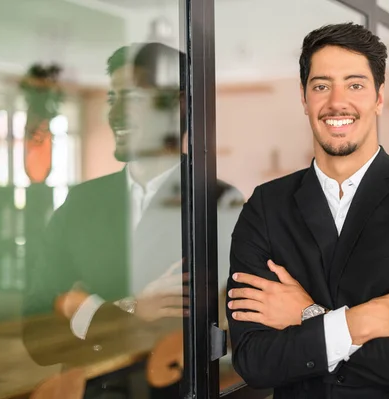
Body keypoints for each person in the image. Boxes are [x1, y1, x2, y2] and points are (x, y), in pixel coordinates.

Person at [226, 22, 389, 399]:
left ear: (379, 97)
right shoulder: (265, 206)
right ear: (304, 97)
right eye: (322, 85)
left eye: (355, 84)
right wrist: (358, 324)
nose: (336, 102)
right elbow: (254, 362)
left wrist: (307, 317)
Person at [22, 42, 241, 398]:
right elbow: (36, 336)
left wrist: (82, 305)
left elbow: (218, 335)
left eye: (134, 98)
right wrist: (132, 309)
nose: (116, 114)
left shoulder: (221, 205)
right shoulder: (80, 203)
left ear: (179, 105)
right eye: (112, 99)